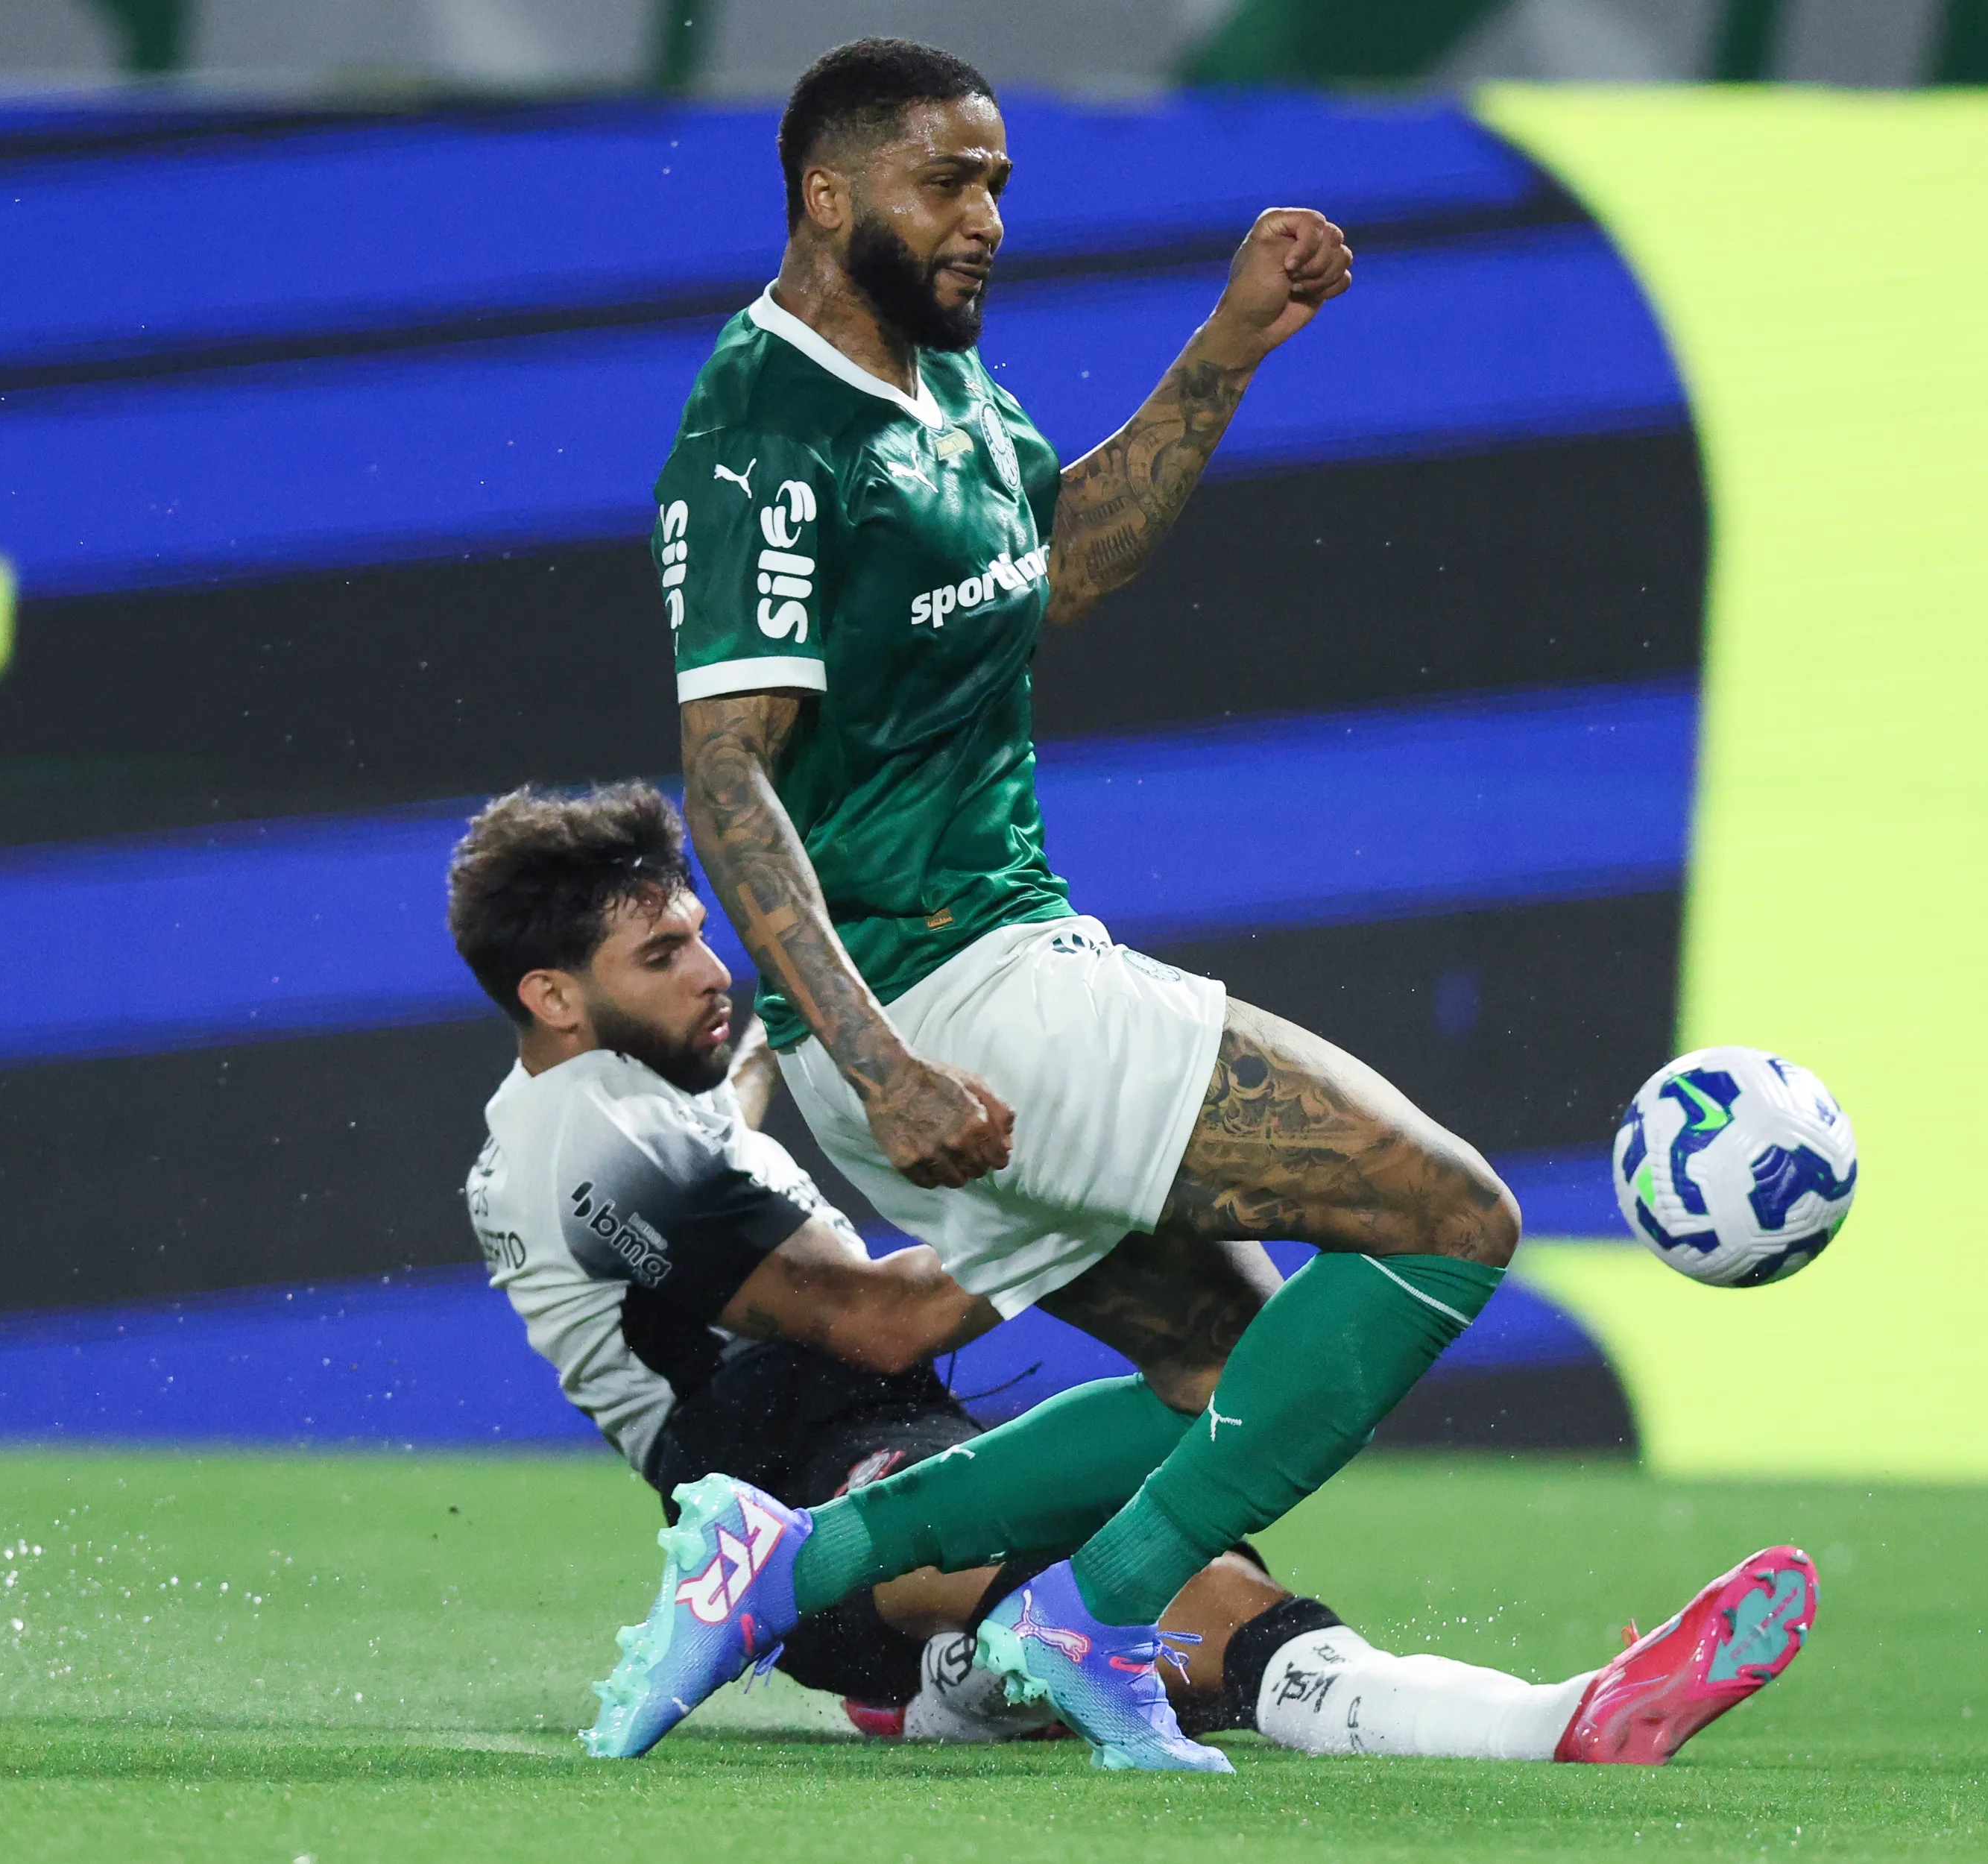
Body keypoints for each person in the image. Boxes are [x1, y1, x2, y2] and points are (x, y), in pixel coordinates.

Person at [599, 34, 1814, 1771]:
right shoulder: (761, 433)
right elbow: (727, 774)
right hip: (950, 999)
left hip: (975, 987)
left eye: (998, 182)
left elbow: (1056, 567)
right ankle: (1088, 1613)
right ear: (826, 192)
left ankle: (796, 1561)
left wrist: (1227, 348)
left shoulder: (948, 391)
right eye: (947, 182)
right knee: (1447, 1217)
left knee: (1225, 1372)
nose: (984, 217)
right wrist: (875, 1059)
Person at [444, 783, 1819, 1766]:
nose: (713, 970)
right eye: (664, 955)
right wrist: (1092, 1169)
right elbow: (875, 1322)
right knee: (1194, 1603)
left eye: (701, 932)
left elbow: (727, 1143)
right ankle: (1556, 1727)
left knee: (1215, 1415)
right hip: (781, 1450)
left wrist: (789, 1051)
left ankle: (950, 1682)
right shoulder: (590, 1139)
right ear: (551, 997)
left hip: (873, 1436)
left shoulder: (616, 1101)